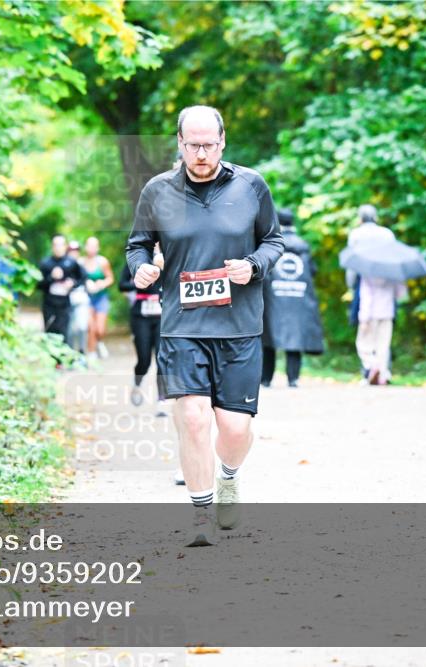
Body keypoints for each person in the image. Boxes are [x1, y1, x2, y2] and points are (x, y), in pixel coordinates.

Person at [126, 105, 284, 546]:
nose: (200, 153)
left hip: (239, 326)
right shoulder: (158, 191)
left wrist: (253, 266)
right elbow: (138, 245)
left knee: (234, 428)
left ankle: (229, 476)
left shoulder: (252, 185)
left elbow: (274, 241)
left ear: (223, 142)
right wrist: (142, 269)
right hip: (182, 325)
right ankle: (200, 515)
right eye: (192, 145)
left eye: (209, 145)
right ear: (179, 143)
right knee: (193, 419)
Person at [261, 208, 325, 388]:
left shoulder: (271, 243)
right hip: (298, 297)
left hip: (274, 297)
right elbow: (312, 271)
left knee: (269, 337)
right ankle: (293, 379)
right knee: (295, 336)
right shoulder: (303, 246)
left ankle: (266, 379)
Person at [346, 205, 407, 384]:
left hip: (365, 285)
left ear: (360, 218)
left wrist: (350, 286)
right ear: (376, 217)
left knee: (364, 339)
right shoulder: (387, 234)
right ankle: (383, 372)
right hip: (387, 299)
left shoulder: (356, 234)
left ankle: (370, 368)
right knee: (383, 342)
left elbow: (351, 264)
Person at [118, 243, 167, 417]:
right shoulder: (138, 259)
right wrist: (140, 282)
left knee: (162, 359)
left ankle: (161, 401)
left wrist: (163, 269)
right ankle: (137, 383)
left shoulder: (171, 254)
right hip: (141, 316)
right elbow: (122, 285)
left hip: (163, 316)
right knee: (144, 360)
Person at [38, 235, 87, 349]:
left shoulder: (71, 262)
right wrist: (51, 277)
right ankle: (52, 358)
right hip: (49, 303)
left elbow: (82, 278)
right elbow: (38, 285)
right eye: (55, 245)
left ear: (65, 246)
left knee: (65, 330)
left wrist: (72, 284)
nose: (58, 248)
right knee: (50, 330)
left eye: (61, 245)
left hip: (65, 303)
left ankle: (63, 359)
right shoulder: (45, 263)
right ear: (52, 247)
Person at [82, 237, 114, 359]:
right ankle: (91, 352)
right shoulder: (81, 262)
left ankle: (99, 342)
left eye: (94, 246)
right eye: (89, 245)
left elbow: (110, 278)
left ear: (98, 248)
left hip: (101, 297)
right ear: (85, 247)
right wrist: (86, 283)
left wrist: (101, 284)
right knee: (91, 326)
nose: (91, 248)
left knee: (100, 329)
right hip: (87, 298)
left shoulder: (103, 262)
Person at [66, 241, 91, 357]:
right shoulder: (64, 264)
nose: (73, 254)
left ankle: (82, 353)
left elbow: (84, 278)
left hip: (80, 299)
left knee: (82, 327)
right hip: (67, 301)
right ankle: (71, 355)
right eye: (71, 251)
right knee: (70, 331)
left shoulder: (80, 265)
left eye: (76, 251)